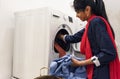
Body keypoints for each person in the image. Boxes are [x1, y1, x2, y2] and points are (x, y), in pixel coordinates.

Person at [58, 0, 120, 79]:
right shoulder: (91, 24)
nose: (76, 15)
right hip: (98, 69)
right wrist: (61, 36)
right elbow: (75, 37)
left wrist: (81, 63)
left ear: (87, 9)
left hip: (102, 73)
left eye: (78, 12)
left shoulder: (96, 22)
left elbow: (109, 53)